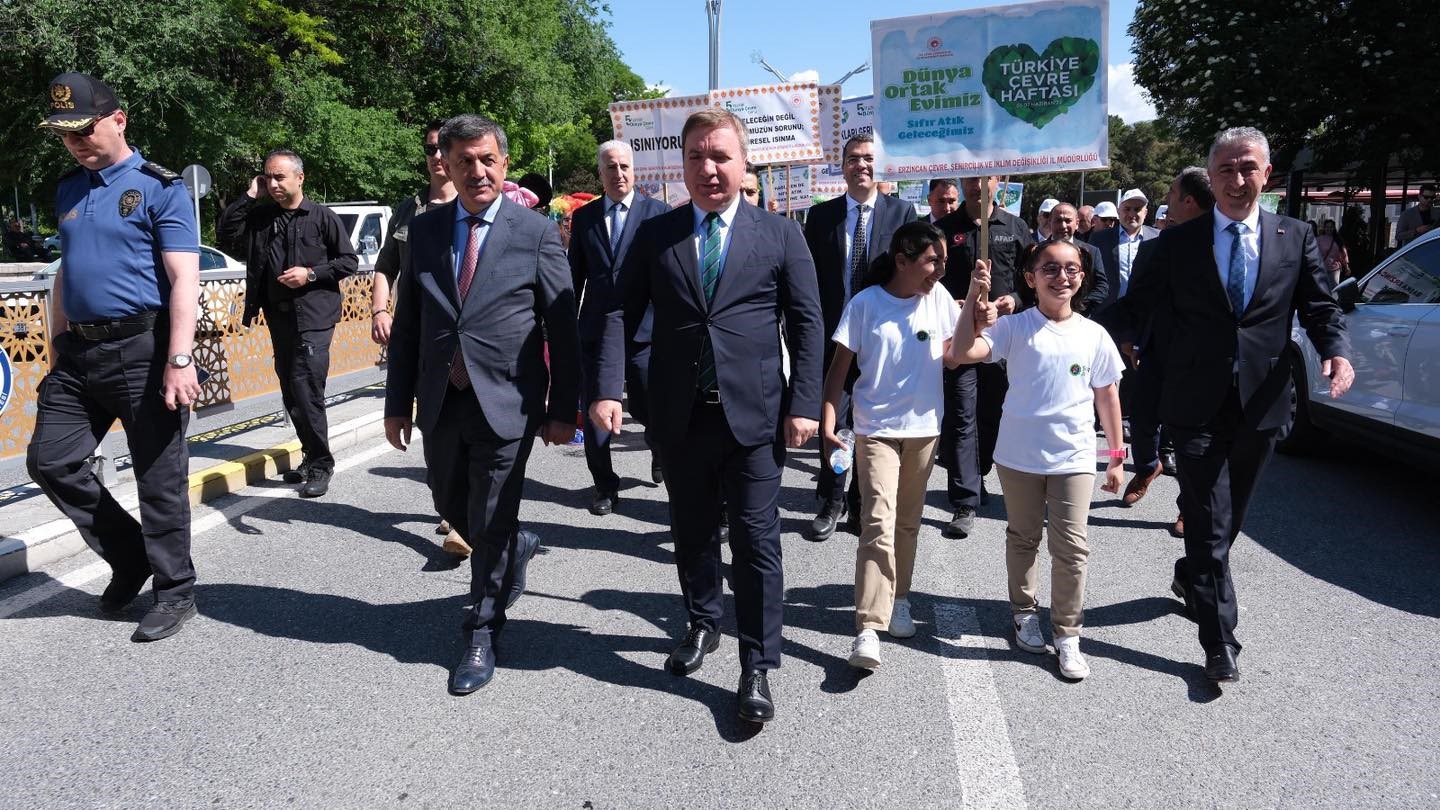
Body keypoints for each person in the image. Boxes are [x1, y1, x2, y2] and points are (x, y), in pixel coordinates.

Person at [588, 108, 823, 724]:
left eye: (720, 156)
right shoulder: (653, 235)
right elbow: (616, 312)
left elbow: (806, 324)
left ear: (744, 164)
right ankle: (701, 621)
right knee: (692, 533)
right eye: (696, 156)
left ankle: (757, 665)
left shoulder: (779, 235)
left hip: (755, 420)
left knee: (755, 542)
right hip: (679, 416)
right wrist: (608, 386)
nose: (708, 168)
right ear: (682, 164)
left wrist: (804, 403)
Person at [1106, 127, 1353, 683]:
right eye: (1227, 170)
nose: (1238, 180)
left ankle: (1191, 571)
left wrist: (1336, 351)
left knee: (1228, 516)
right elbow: (1134, 307)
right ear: (1211, 177)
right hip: (1193, 402)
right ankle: (1219, 641)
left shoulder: (1295, 236)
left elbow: (1319, 305)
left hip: (1263, 403)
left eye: (1249, 169)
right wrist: (1070, 327)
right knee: (1210, 518)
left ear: (1268, 174)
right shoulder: (1173, 245)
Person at [385, 113, 579, 695]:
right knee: (450, 501)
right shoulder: (425, 232)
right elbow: (410, 327)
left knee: (491, 515)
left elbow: (562, 328)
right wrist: (397, 402)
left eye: (487, 160)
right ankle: (515, 546)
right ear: (446, 163)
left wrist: (563, 409)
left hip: (509, 401)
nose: (477, 171)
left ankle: (482, 627)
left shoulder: (536, 231)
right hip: (442, 398)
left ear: (504, 163)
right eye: (464, 161)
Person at [27, 72, 202, 642]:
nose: (75, 142)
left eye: (85, 130)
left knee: (158, 477)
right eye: (65, 134)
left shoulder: (160, 186)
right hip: (78, 353)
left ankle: (174, 591)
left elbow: (183, 279)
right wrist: (56, 346)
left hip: (142, 349)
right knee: (50, 462)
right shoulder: (68, 188)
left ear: (118, 119)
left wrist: (180, 359)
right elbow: (65, 273)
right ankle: (130, 558)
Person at [950, 239, 1126, 680]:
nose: (1061, 277)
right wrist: (975, 295)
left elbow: (1107, 395)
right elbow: (960, 354)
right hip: (1018, 455)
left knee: (1072, 549)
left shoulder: (1094, 334)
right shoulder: (1015, 327)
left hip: (1075, 456)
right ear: (1031, 279)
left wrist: (1117, 456)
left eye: (1070, 269)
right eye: (1050, 269)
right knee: (1023, 538)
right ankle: (1024, 613)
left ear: (1081, 277)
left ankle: (1068, 634)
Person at [820, 222, 962, 670]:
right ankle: (868, 626)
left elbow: (961, 349)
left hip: (924, 429)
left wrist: (981, 305)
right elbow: (839, 368)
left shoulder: (938, 299)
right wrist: (828, 421)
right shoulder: (866, 304)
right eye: (932, 260)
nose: (940, 269)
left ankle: (899, 597)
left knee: (907, 523)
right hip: (875, 428)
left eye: (943, 260)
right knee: (877, 520)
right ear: (902, 260)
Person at [218, 150, 358, 498]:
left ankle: (322, 465)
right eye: (269, 177)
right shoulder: (261, 217)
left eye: (280, 177)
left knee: (307, 387)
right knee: (292, 392)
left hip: (314, 316)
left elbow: (348, 262)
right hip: (279, 317)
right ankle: (311, 457)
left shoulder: (322, 217)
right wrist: (251, 194)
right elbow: (225, 233)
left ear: (300, 178)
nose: (274, 184)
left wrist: (310, 274)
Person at [802, 133, 917, 541]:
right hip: (835, 337)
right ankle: (831, 499)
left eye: (868, 158)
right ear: (843, 166)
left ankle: (859, 501)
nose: (861, 165)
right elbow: (808, 280)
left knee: (871, 423)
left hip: (884, 339)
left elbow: (915, 274)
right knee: (834, 418)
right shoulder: (820, 218)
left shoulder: (902, 212)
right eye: (853, 159)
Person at [369, 120, 469, 556]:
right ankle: (449, 504)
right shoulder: (408, 210)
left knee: (472, 433)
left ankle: (462, 522)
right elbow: (385, 266)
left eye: (443, 149)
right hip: (421, 337)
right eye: (430, 149)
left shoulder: (476, 203)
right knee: (436, 435)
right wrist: (379, 309)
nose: (436, 156)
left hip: (467, 341)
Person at [571, 140, 668, 515]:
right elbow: (574, 277)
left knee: (651, 408)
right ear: (601, 173)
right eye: (611, 167)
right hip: (596, 331)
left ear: (635, 170)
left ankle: (658, 449)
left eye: (625, 166)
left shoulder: (656, 214)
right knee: (595, 411)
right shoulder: (585, 218)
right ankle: (604, 486)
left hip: (645, 332)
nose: (619, 173)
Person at [934, 175, 1033, 537]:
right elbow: (932, 278)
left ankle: (980, 473)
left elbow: (1030, 279)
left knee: (994, 413)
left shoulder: (1016, 227)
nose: (977, 184)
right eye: (970, 178)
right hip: (958, 339)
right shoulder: (944, 228)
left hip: (1003, 340)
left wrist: (1013, 302)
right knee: (961, 415)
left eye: (985, 177)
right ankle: (964, 499)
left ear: (997, 180)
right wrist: (954, 306)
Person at [1119, 167, 1214, 530]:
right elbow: (1136, 299)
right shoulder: (1152, 247)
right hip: (1154, 348)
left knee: (1190, 435)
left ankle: (1187, 506)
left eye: (1172, 194)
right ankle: (1147, 468)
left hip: (1197, 357)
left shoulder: (1217, 245)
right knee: (1142, 418)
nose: (1166, 202)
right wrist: (1129, 336)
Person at [1088, 189, 1160, 316]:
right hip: (1108, 312)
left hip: (1146, 314)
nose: (1132, 214)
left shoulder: (1158, 237)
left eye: (1137, 209)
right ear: (1118, 211)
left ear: (1146, 212)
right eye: (1127, 209)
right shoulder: (1099, 239)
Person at [1047, 203, 1108, 312]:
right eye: (1058, 220)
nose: (1063, 226)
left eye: (1068, 221)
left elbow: (1101, 287)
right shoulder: (1037, 251)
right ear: (1050, 222)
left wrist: (1078, 305)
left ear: (1077, 223)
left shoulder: (1091, 252)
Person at [1316, 218, 1350, 285]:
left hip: (1335, 269)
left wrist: (1347, 267)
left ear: (1334, 228)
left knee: (1334, 290)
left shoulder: (1338, 240)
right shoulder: (1318, 239)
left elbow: (1343, 254)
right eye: (1327, 227)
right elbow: (1314, 254)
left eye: (1331, 227)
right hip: (1322, 269)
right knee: (1322, 290)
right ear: (1324, 228)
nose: (1329, 229)